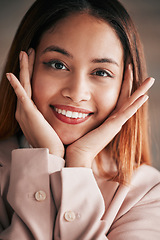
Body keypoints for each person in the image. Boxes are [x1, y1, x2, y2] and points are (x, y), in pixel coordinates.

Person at [0, 0, 159, 239]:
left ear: (126, 86)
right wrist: (46, 156)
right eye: (58, 64)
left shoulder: (148, 193)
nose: (76, 92)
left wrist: (80, 162)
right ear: (27, 68)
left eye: (101, 72)